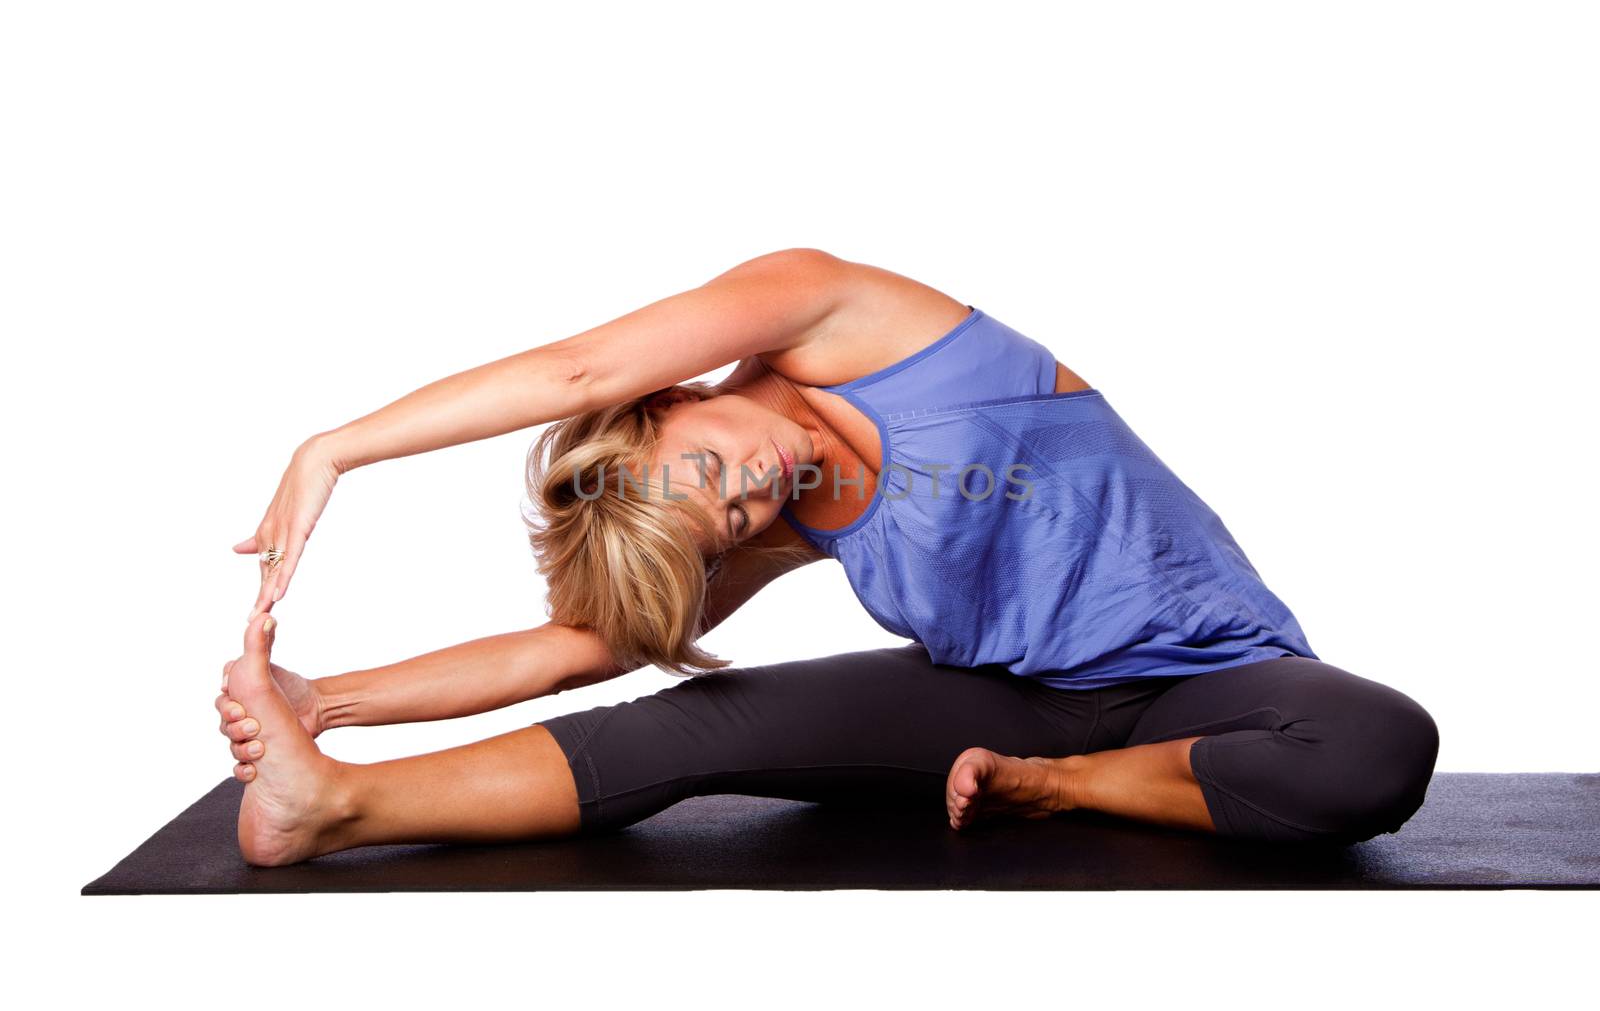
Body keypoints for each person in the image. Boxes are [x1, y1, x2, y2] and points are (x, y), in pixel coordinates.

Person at [216, 248, 1440, 866]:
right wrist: (324, 700)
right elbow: (567, 651)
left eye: (707, 473)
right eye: (729, 526)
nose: (747, 496)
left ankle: (1058, 789)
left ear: (667, 399)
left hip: (1210, 678)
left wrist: (340, 446)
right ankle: (332, 805)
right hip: (1012, 707)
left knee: (1375, 746)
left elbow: (576, 369)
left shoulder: (832, 315)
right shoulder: (790, 512)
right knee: (696, 718)